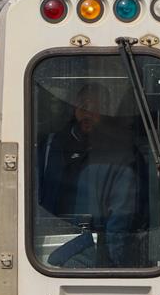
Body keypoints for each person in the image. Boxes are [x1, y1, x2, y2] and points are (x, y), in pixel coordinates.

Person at [35, 84, 145, 268]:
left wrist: (115, 264)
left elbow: (121, 218)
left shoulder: (123, 155)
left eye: (95, 107)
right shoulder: (49, 148)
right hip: (43, 244)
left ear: (107, 111)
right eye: (82, 105)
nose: (87, 112)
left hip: (97, 249)